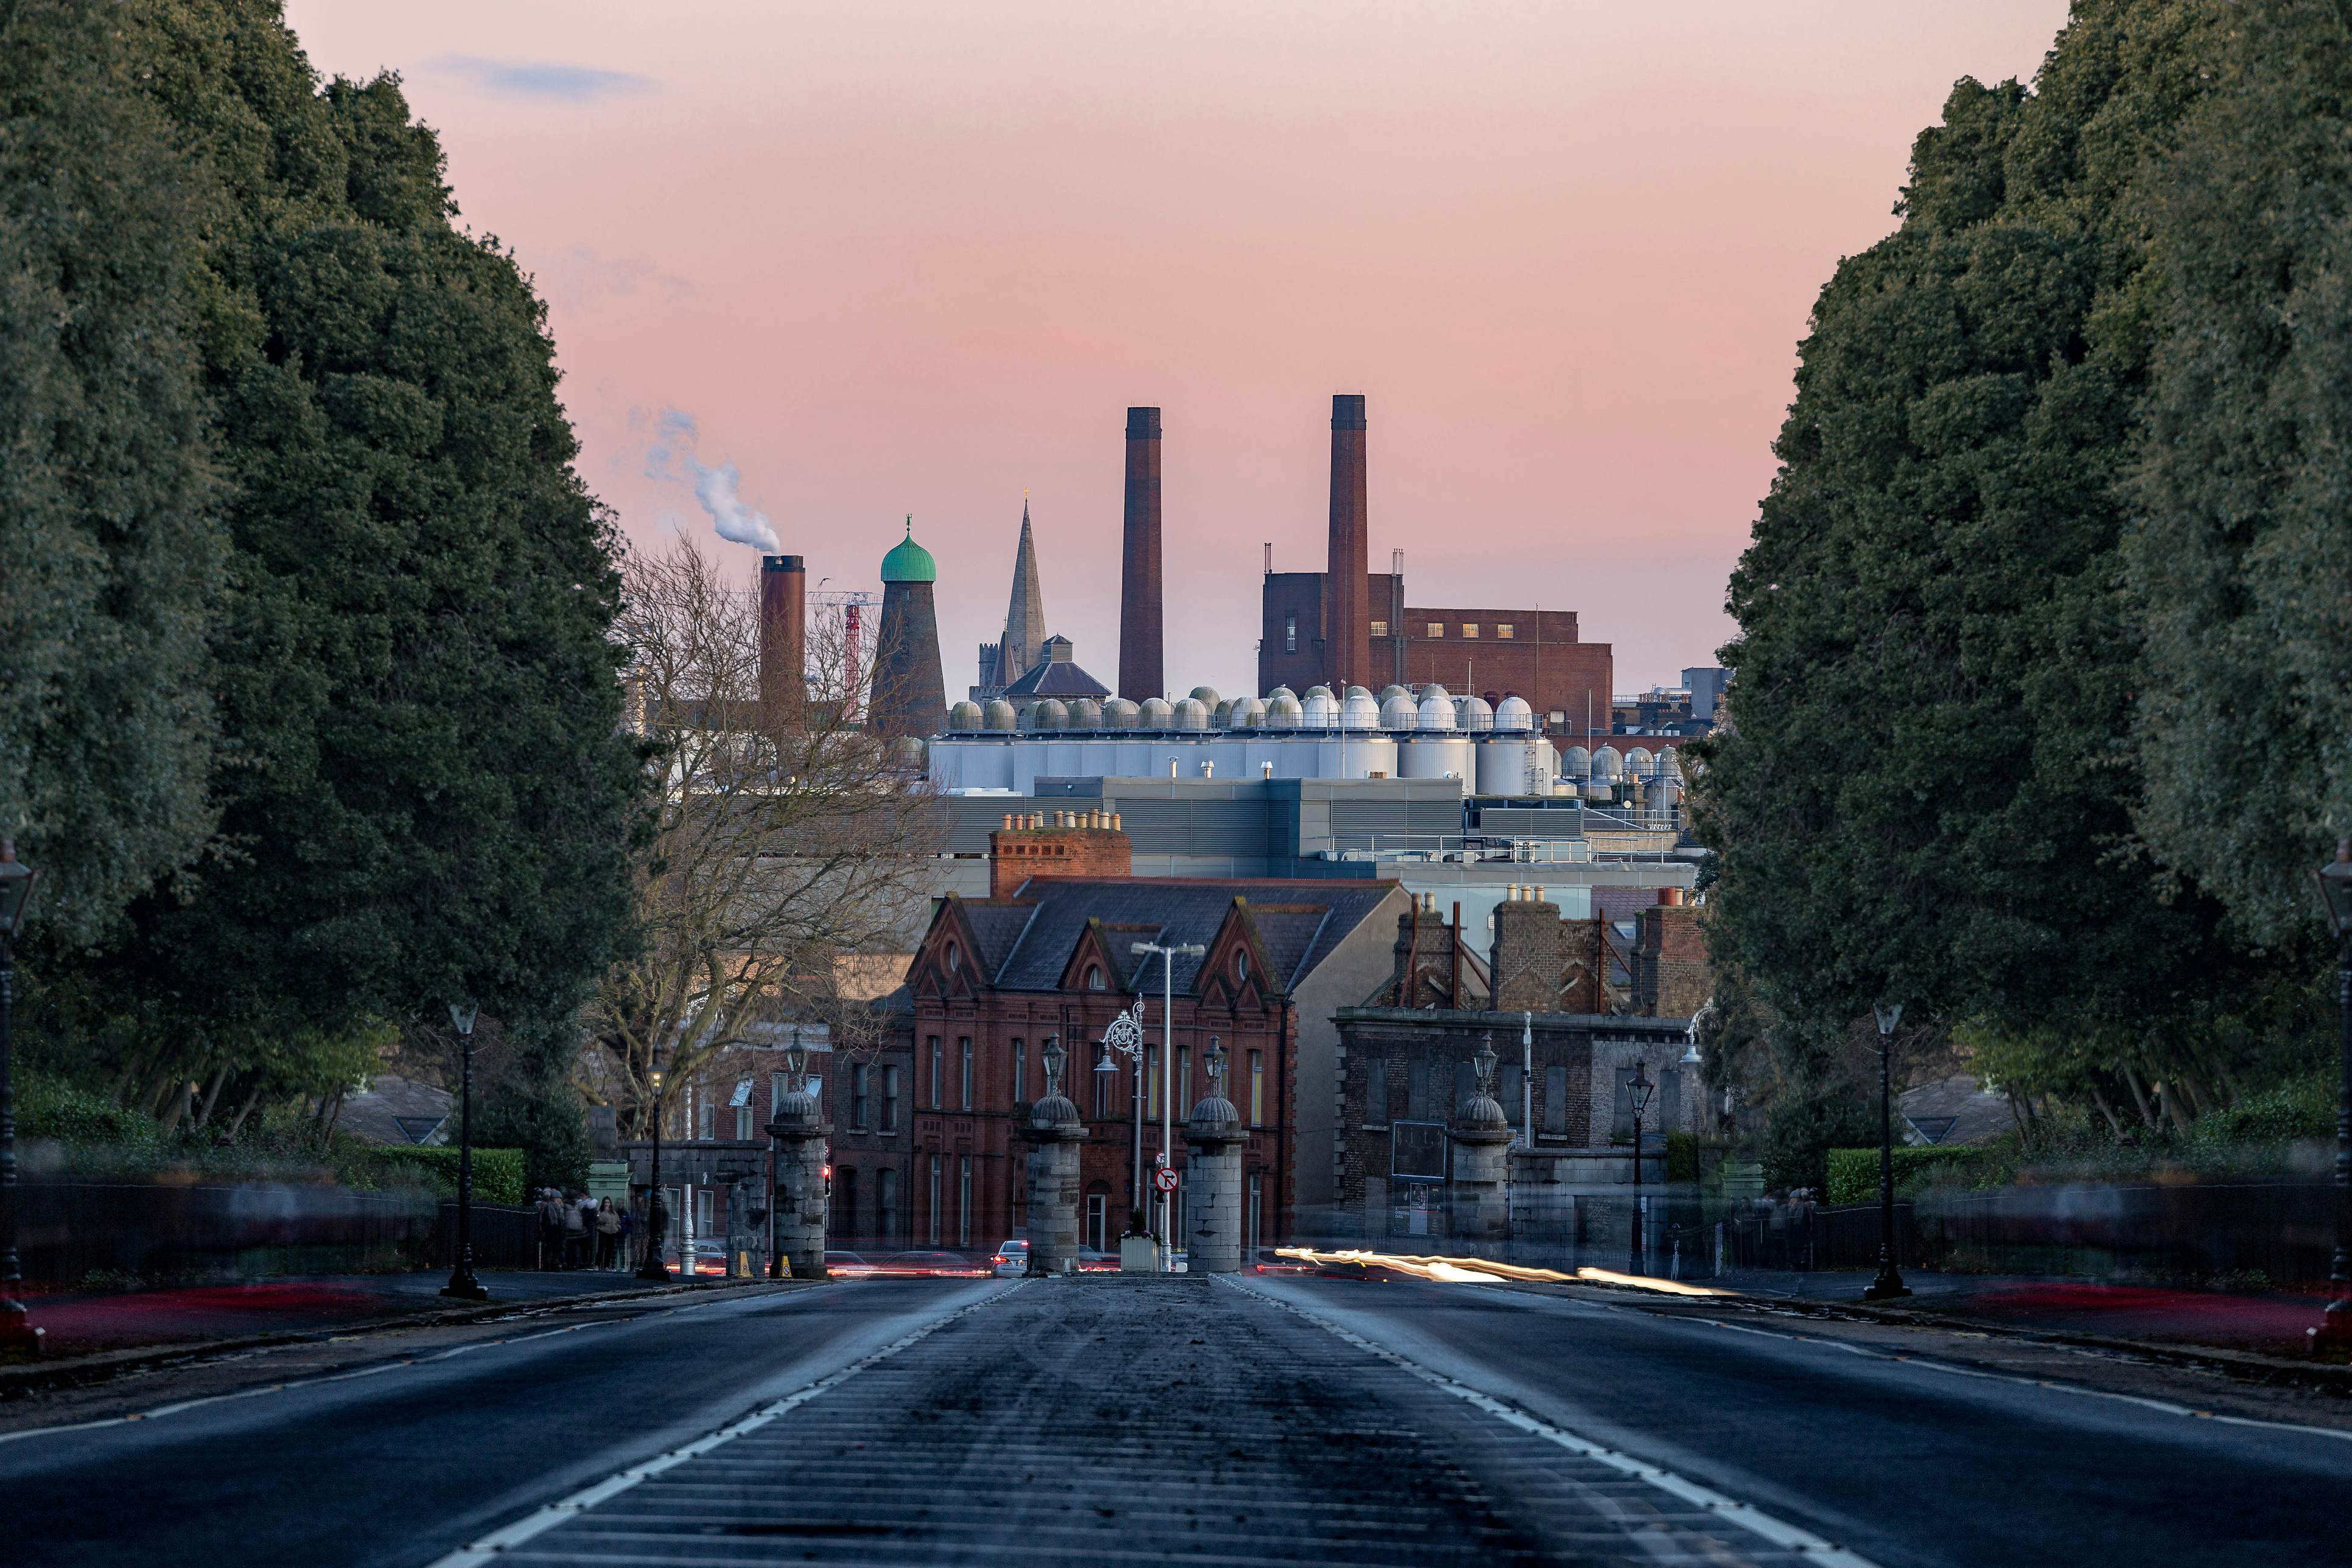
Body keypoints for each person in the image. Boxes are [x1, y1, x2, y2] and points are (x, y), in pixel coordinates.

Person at [537, 1188, 566, 1270]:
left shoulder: (561, 1209)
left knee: (556, 1249)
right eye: (558, 1199)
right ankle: (548, 1265)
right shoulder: (548, 1207)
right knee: (550, 1249)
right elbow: (544, 1220)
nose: (559, 1201)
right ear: (553, 1199)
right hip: (550, 1231)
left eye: (560, 1199)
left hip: (558, 1231)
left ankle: (554, 1264)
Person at [561, 1189, 589, 1269]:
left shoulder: (565, 1206)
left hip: (568, 1229)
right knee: (576, 1247)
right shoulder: (578, 1205)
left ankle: (569, 1263)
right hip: (578, 1229)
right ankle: (575, 1264)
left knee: (568, 1247)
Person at [595, 1197, 620, 1269]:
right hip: (604, 1232)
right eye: (606, 1202)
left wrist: (618, 1228)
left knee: (609, 1250)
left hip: (612, 1233)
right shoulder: (600, 1212)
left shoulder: (614, 1212)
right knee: (601, 1250)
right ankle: (597, 1265)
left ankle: (607, 1266)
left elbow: (618, 1221)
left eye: (608, 1203)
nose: (607, 1204)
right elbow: (600, 1221)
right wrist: (605, 1212)